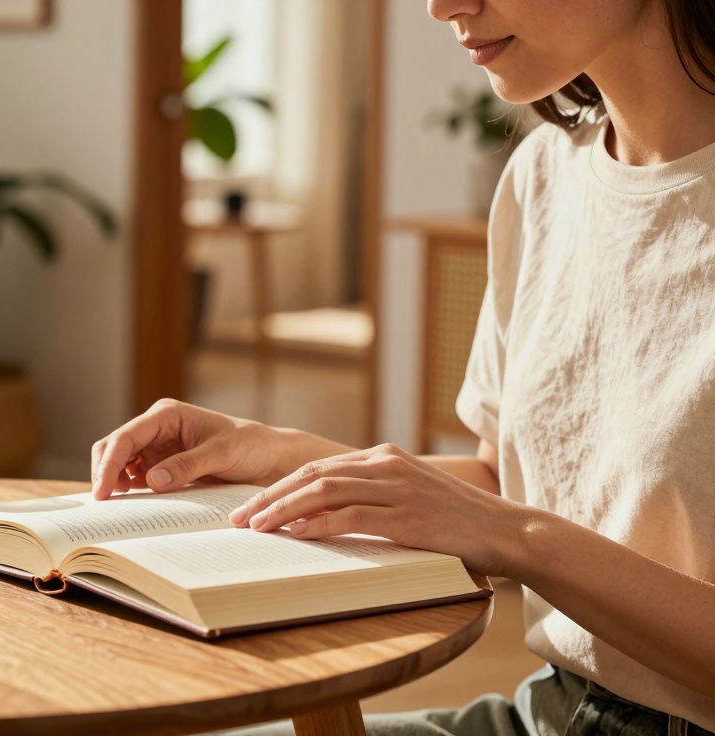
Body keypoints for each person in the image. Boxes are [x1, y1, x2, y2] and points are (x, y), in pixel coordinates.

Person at [90, 1, 715, 733]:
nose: (442, 4)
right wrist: (286, 457)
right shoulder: (543, 180)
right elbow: (502, 489)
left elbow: (511, 526)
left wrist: (522, 540)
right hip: (551, 713)